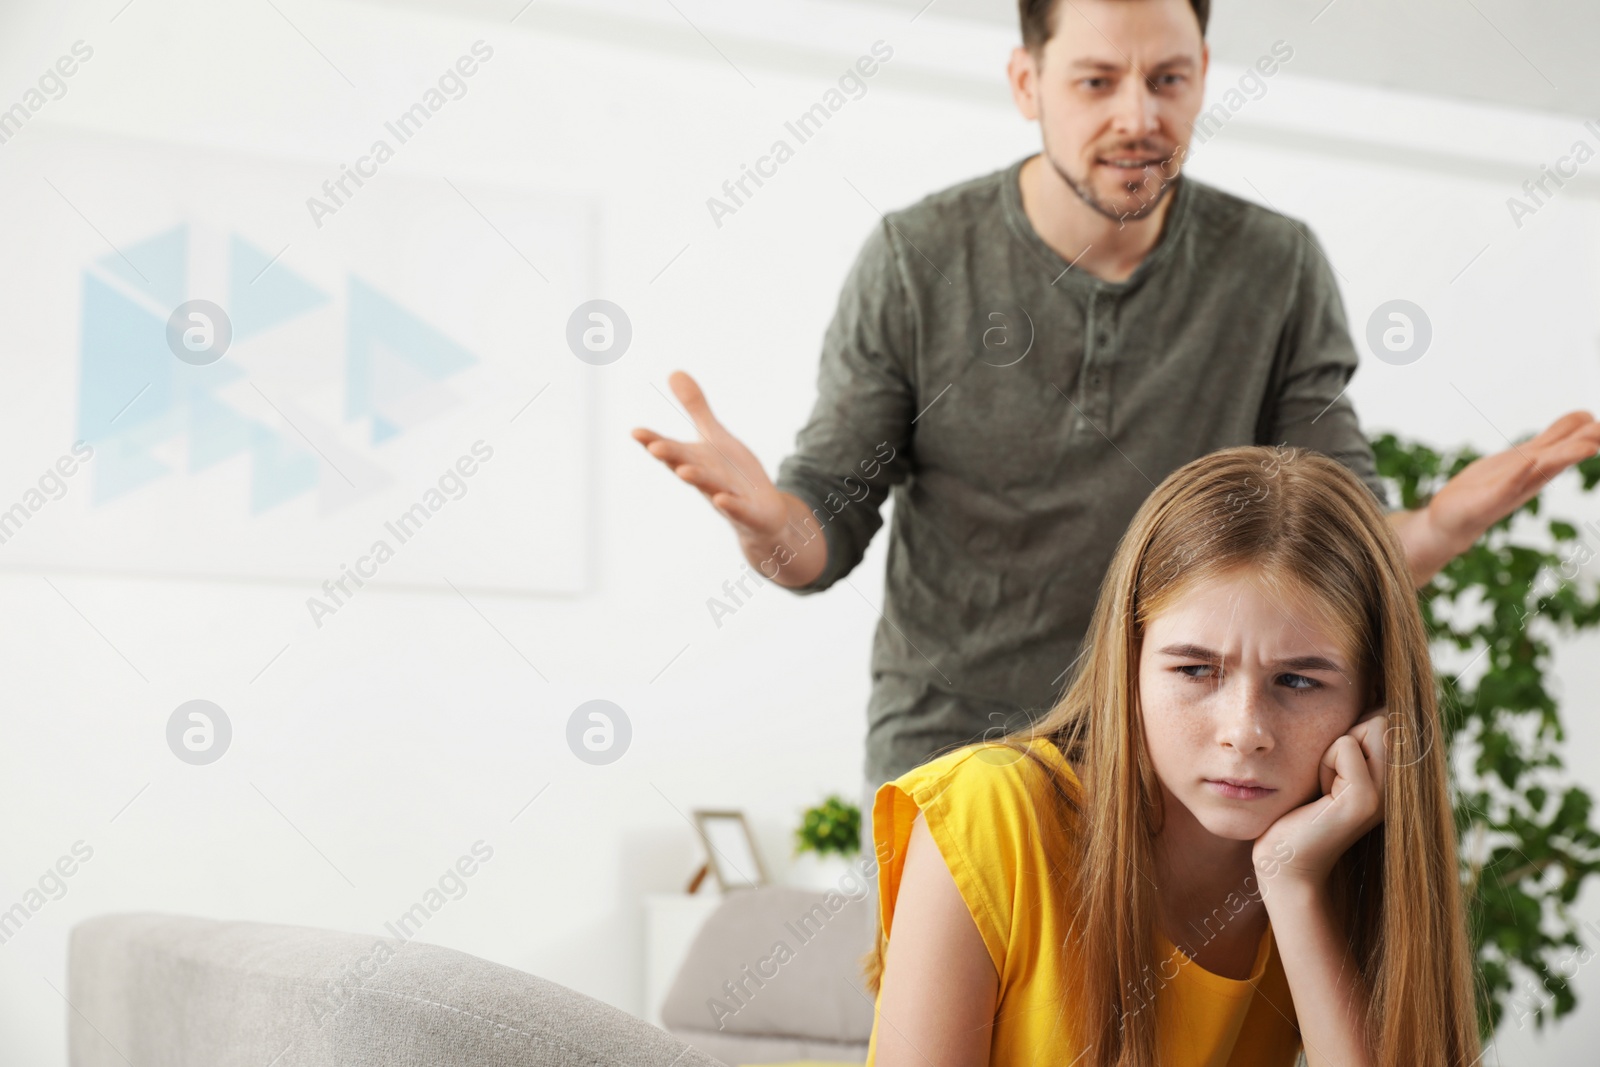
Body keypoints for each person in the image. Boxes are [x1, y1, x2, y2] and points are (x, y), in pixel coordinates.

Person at [631, 0, 1600, 920]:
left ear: (1204, 75)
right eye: (1095, 81)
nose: (1139, 115)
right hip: (954, 745)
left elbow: (1333, 555)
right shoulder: (914, 260)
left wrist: (1440, 525)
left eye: (1168, 79)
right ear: (1027, 81)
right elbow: (816, 540)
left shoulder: (1275, 267)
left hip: (1179, 762)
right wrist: (770, 522)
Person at [864, 444, 1479, 1067]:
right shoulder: (986, 814)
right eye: (1194, 670)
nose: (1245, 733)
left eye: (1297, 682)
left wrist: (1292, 884)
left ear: (1372, 698)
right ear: (1127, 664)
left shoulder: (1341, 857)